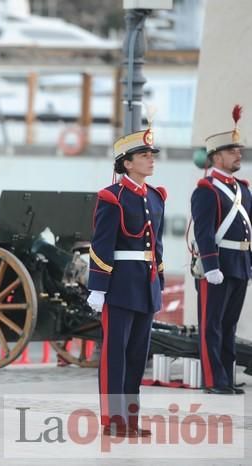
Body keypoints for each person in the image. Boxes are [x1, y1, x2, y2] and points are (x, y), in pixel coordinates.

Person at [87, 126, 166, 437]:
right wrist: (97, 286)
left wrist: (158, 280)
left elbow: (156, 246)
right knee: (115, 356)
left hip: (145, 287)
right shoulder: (113, 197)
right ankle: (112, 420)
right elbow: (101, 243)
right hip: (119, 286)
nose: (151, 160)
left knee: (136, 357)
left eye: (151, 155)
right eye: (144, 155)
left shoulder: (156, 197)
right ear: (127, 162)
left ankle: (130, 419)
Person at [191, 104, 250, 395]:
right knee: (211, 325)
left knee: (229, 324)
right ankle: (214, 380)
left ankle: (226, 376)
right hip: (217, 265)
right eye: (232, 151)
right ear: (216, 156)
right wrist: (211, 266)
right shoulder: (207, 189)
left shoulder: (243, 189)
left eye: (238, 150)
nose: (239, 154)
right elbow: (203, 232)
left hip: (240, 262)